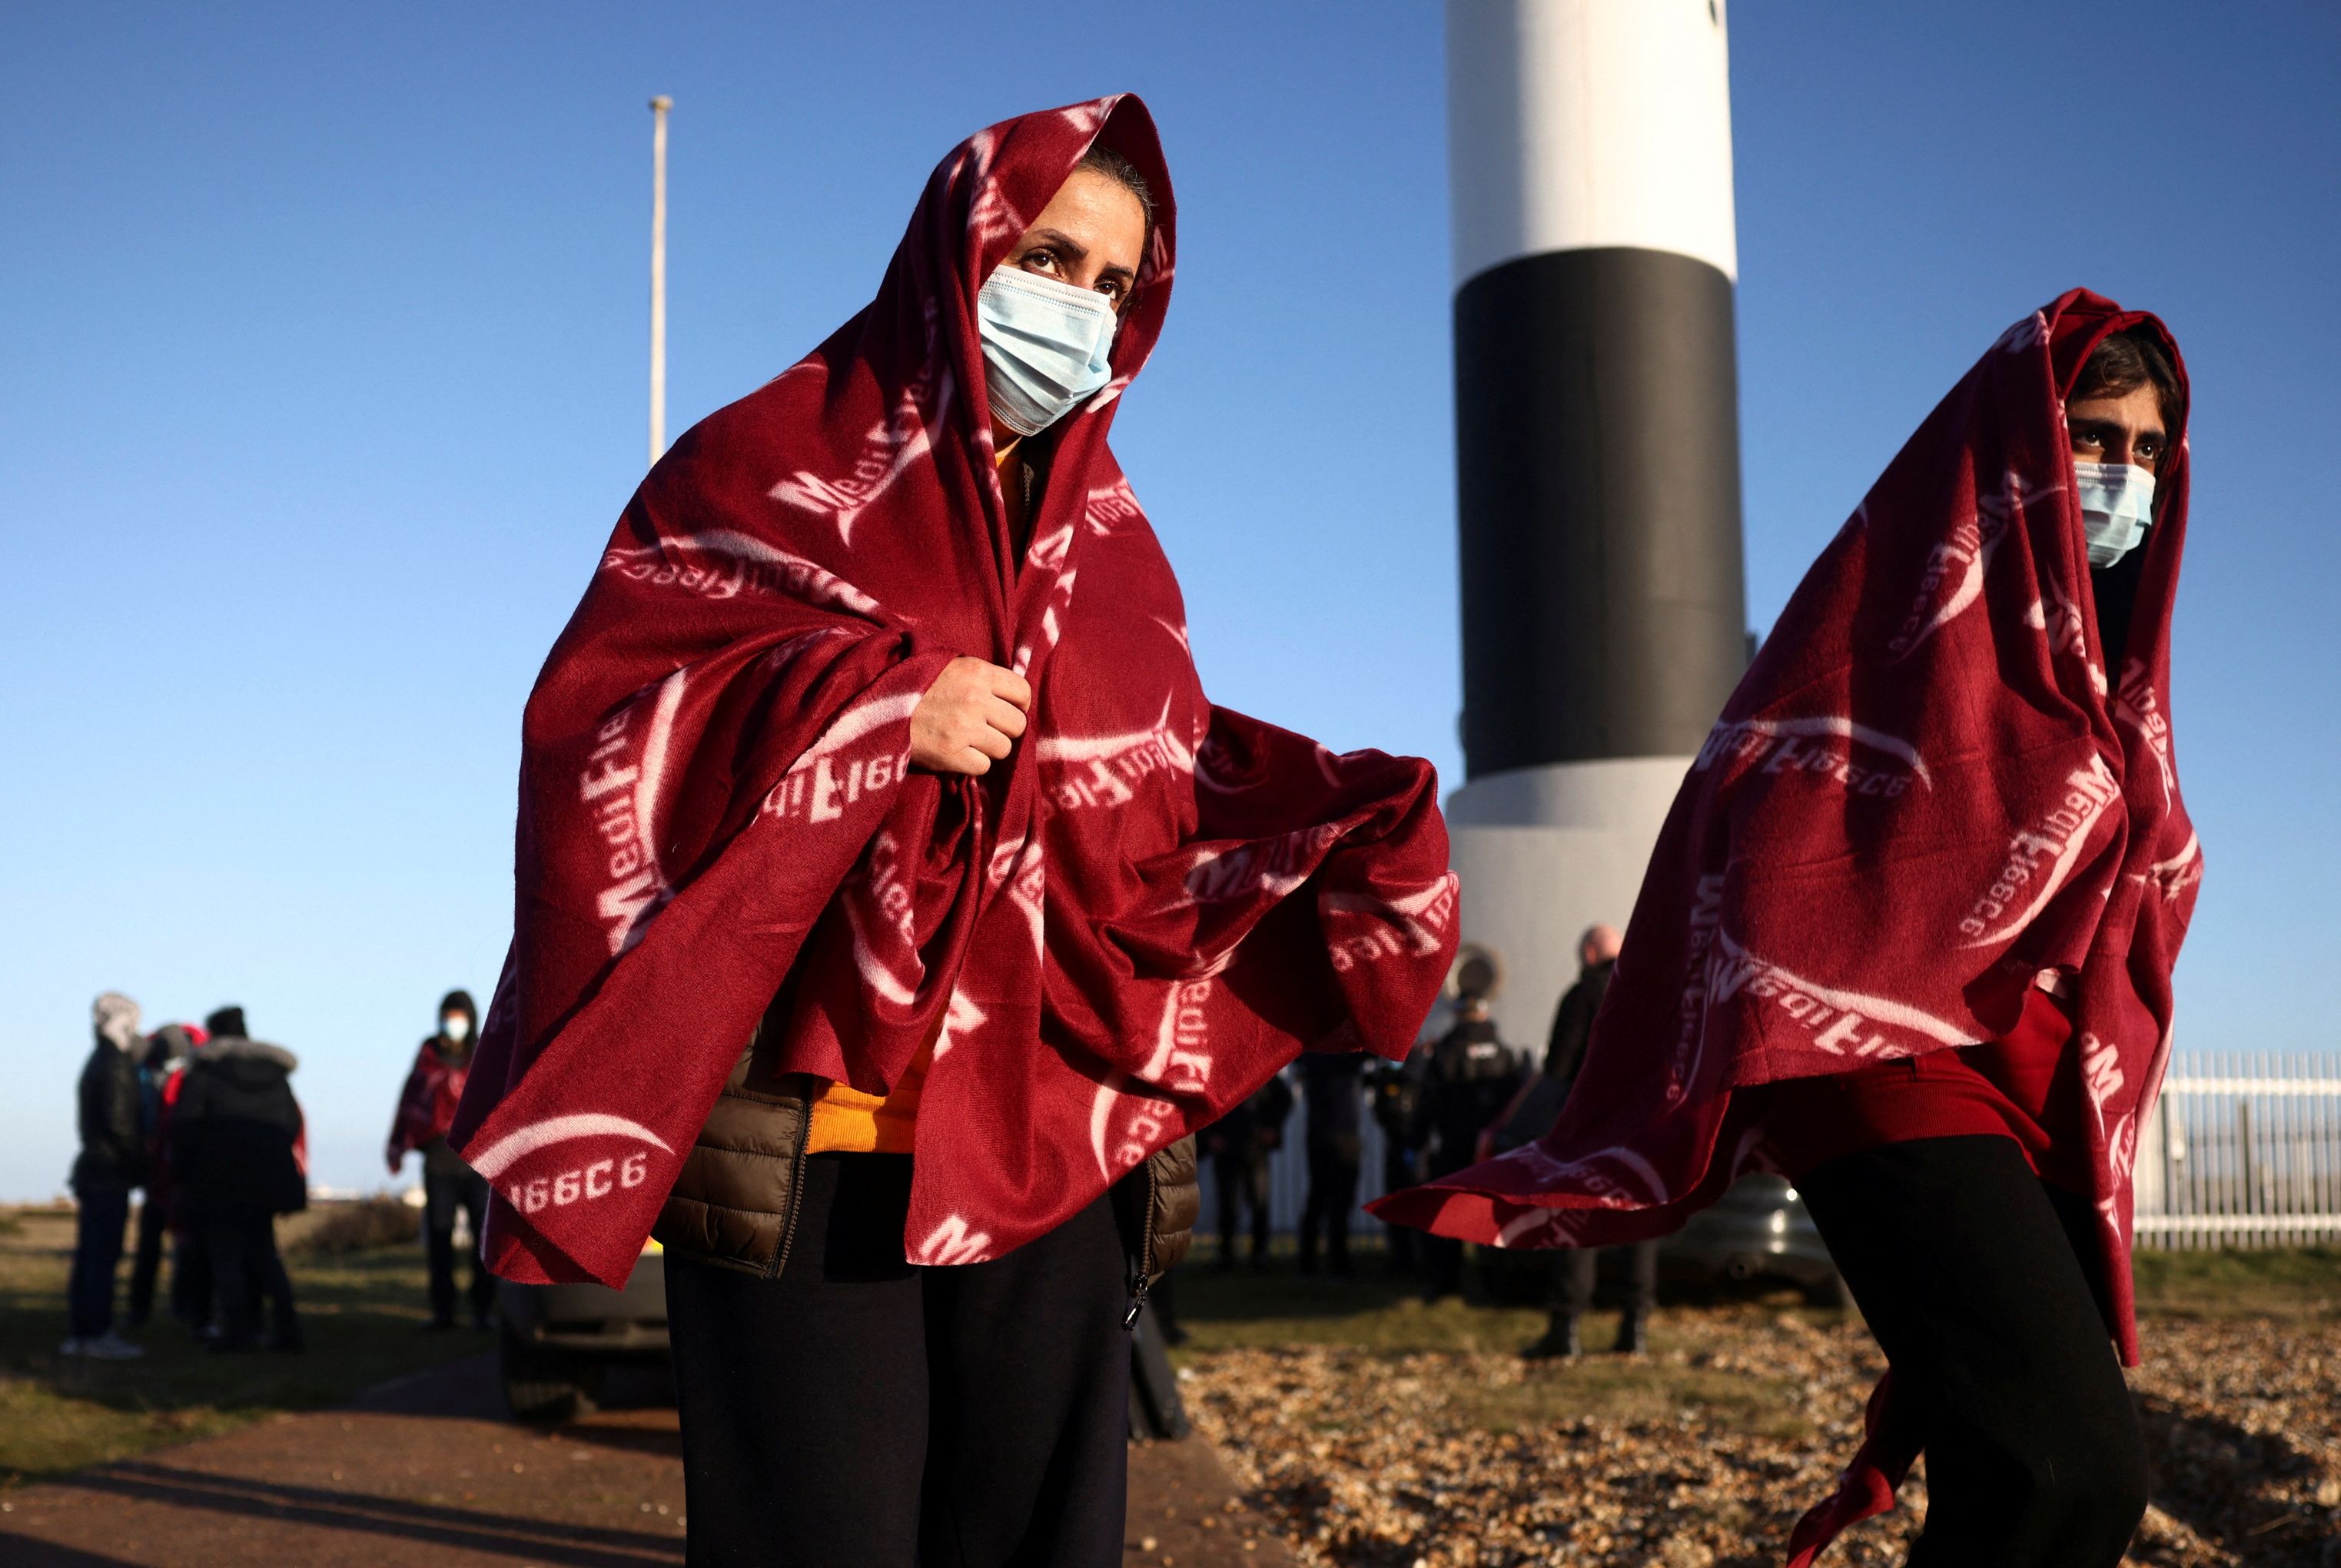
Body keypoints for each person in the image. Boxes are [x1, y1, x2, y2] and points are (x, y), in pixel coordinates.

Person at [447, 96, 1456, 1568]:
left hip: (1053, 1149)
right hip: (812, 1152)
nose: (1080, 309)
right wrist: (869, 710)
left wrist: (1317, 822)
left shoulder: (1117, 544)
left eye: (1113, 283)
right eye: (1048, 259)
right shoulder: (765, 468)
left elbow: (1145, 791)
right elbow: (599, 722)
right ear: (959, 249)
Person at [1376, 292, 2197, 1568]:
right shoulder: (1888, 618)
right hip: (1883, 1068)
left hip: (2025, 1086)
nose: (2118, 477)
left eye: (2146, 450)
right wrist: (1825, 991)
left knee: (2015, 1470)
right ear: (2018, 439)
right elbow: (1760, 822)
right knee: (2067, 1469)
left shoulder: (2103, 676)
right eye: (2090, 437)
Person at [1515, 925, 1659, 1358]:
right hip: (1641, 1128)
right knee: (1639, 1225)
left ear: (1590, 953)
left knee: (1577, 1222)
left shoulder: (1582, 996)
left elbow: (1559, 1067)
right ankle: (1634, 1330)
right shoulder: (1649, 994)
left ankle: (1566, 1329)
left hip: (1590, 1127)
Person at [174, 1006, 307, 1353]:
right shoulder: (275, 1075)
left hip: (218, 1180)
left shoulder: (205, 1073)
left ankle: (237, 1333)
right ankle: (287, 1329)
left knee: (226, 1257)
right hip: (267, 1180)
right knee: (265, 1254)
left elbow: (184, 1127)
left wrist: (187, 1172)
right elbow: (291, 1124)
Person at [387, 990, 493, 1330]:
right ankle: (443, 1312)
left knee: (484, 1241)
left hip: (479, 1163)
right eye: (449, 1016)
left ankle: (483, 1312)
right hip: (439, 1162)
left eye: (459, 1017)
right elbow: (410, 1100)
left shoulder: (486, 1054)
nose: (453, 1023)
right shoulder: (428, 1055)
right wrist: (397, 1145)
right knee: (439, 1239)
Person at [1408, 987, 1522, 1302]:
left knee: (1448, 1214)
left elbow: (1429, 1101)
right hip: (1492, 1148)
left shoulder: (1447, 1050)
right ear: (1484, 1013)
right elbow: (1517, 1099)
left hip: (1454, 1145)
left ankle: (1444, 1281)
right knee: (1492, 1216)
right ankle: (1496, 1282)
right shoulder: (1503, 1051)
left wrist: (1416, 1140)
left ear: (1458, 1014)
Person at [64, 992, 149, 1359]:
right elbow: (119, 1122)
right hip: (108, 1171)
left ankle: (83, 1332)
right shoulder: (115, 1062)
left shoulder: (99, 1059)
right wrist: (139, 1161)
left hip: (97, 1169)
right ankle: (97, 1332)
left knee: (90, 1256)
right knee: (102, 1257)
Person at [125, 1022, 198, 1330]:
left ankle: (169, 1306)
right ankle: (151, 1308)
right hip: (161, 1172)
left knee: (175, 1243)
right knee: (162, 1243)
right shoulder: (155, 1071)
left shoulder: (146, 1071)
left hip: (170, 1171)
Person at [1202, 1072, 1294, 1271]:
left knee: (1259, 1203)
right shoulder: (1221, 1072)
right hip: (1228, 1148)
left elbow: (1284, 1099)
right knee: (1229, 1205)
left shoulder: (1262, 1071)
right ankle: (1226, 1255)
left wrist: (1273, 1127)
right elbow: (1204, 1101)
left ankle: (1259, 1254)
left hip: (1255, 1148)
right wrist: (1210, 1134)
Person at [1293, 1051, 1367, 1274]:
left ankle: (1309, 1261)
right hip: (1342, 1134)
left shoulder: (1311, 1053)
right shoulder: (1347, 1054)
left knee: (1319, 1197)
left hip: (1320, 1133)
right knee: (1339, 1201)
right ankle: (1337, 1262)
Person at [1365, 1052, 1427, 1276]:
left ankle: (1424, 1260)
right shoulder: (1386, 1072)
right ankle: (1401, 1259)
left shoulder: (1418, 1066)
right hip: (1395, 1143)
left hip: (1415, 1145)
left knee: (1417, 1203)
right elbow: (1381, 1108)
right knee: (1394, 1202)